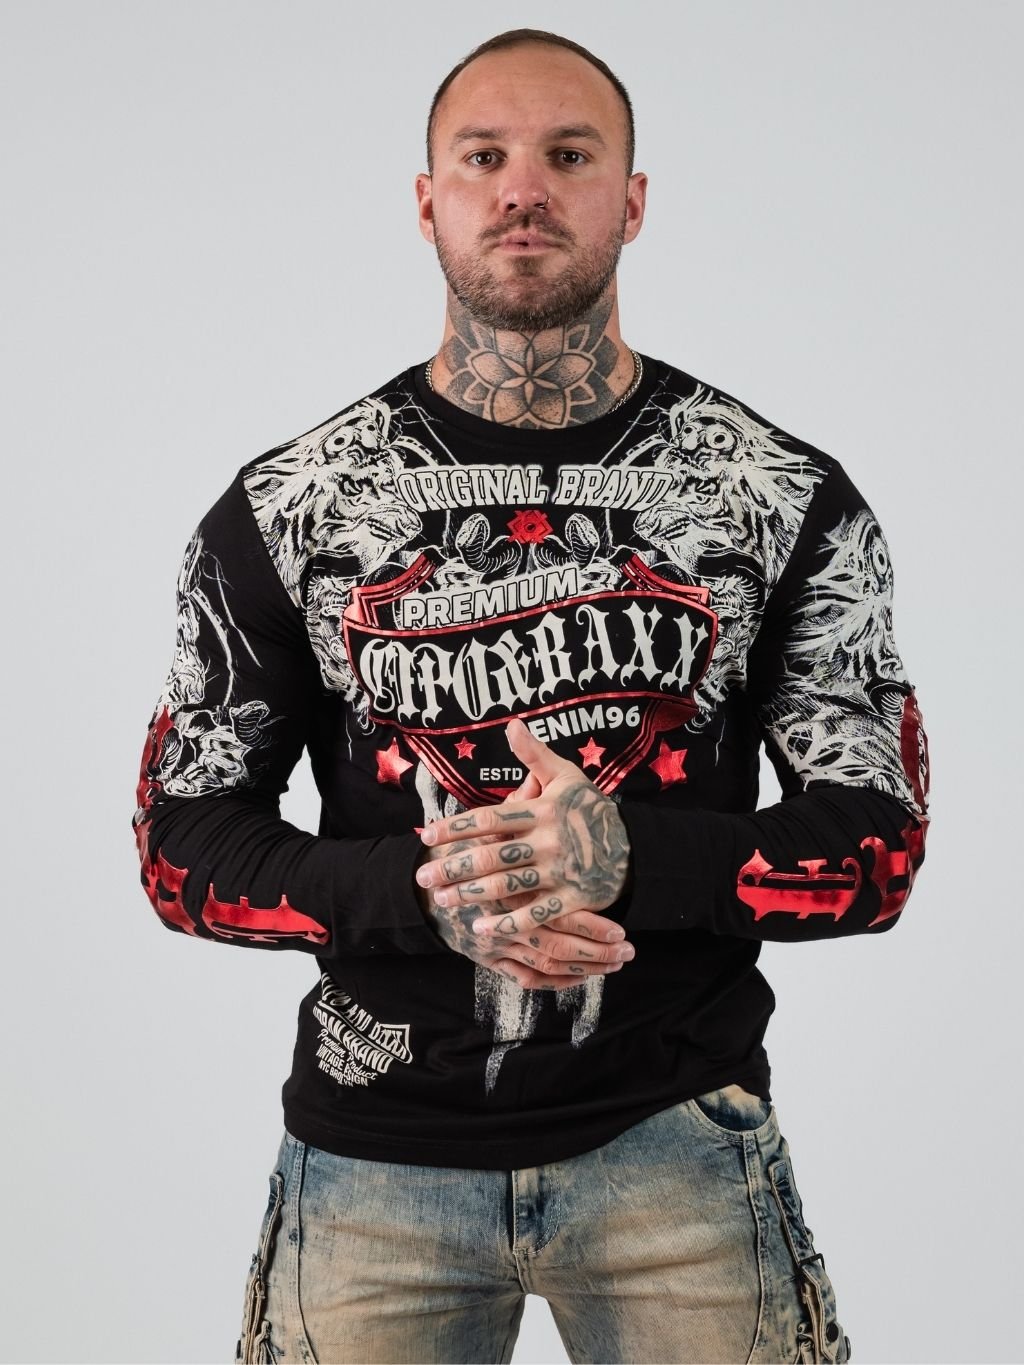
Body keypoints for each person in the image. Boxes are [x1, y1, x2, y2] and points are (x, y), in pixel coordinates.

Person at [132, 27, 929, 1365]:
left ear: (633, 198)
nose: (523, 190)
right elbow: (180, 842)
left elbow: (878, 844)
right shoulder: (291, 508)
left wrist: (624, 860)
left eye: (569, 155)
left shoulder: (779, 497)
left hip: (679, 1140)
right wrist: (429, 890)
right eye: (483, 157)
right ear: (427, 199)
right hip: (373, 1158)